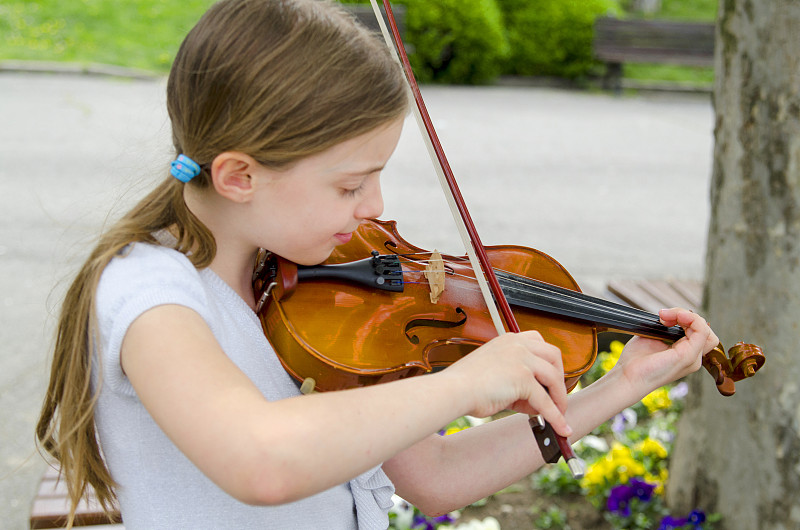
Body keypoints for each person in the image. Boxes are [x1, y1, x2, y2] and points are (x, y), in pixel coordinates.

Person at [35, 0, 720, 528]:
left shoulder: (327, 291)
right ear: (240, 176)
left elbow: (433, 475)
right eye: (350, 184)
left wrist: (622, 385)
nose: (376, 206)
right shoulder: (151, 293)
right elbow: (261, 460)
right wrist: (461, 386)